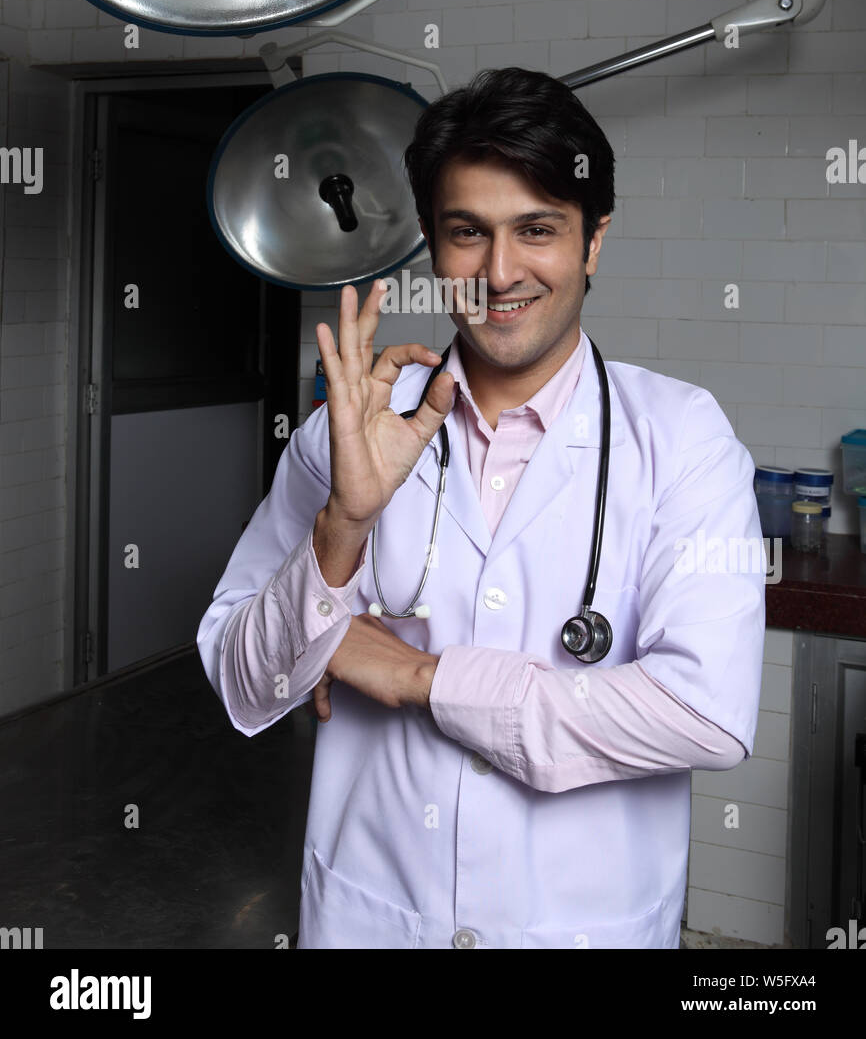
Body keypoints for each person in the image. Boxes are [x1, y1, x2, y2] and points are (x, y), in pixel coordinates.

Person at [197, 66, 766, 950]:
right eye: (468, 233)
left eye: (537, 230)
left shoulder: (681, 439)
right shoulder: (349, 431)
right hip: (370, 920)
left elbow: (706, 714)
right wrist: (342, 528)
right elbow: (244, 681)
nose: (500, 272)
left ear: (593, 242)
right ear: (432, 242)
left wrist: (417, 675)